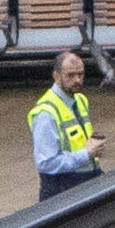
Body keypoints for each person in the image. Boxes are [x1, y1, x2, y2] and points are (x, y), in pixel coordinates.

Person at [25, 43, 102, 202]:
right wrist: (86, 154)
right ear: (56, 76)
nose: (77, 80)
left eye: (80, 74)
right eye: (71, 75)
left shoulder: (80, 100)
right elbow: (46, 163)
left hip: (86, 181)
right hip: (61, 191)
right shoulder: (46, 114)